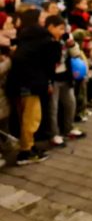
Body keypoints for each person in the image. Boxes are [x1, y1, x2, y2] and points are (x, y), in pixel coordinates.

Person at [6, 9, 61, 165]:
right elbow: (50, 62)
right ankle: (25, 152)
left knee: (26, 117)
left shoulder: (24, 36)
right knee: (31, 118)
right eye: (42, 17)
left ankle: (28, 146)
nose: (45, 19)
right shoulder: (42, 39)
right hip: (31, 83)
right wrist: (56, 41)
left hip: (19, 82)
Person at [46, 16, 86, 147]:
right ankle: (54, 134)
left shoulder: (65, 38)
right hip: (53, 79)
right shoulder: (47, 41)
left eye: (64, 28)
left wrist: (72, 44)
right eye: (60, 28)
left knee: (70, 103)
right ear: (50, 27)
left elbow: (76, 54)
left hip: (66, 76)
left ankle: (68, 128)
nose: (63, 31)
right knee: (53, 108)